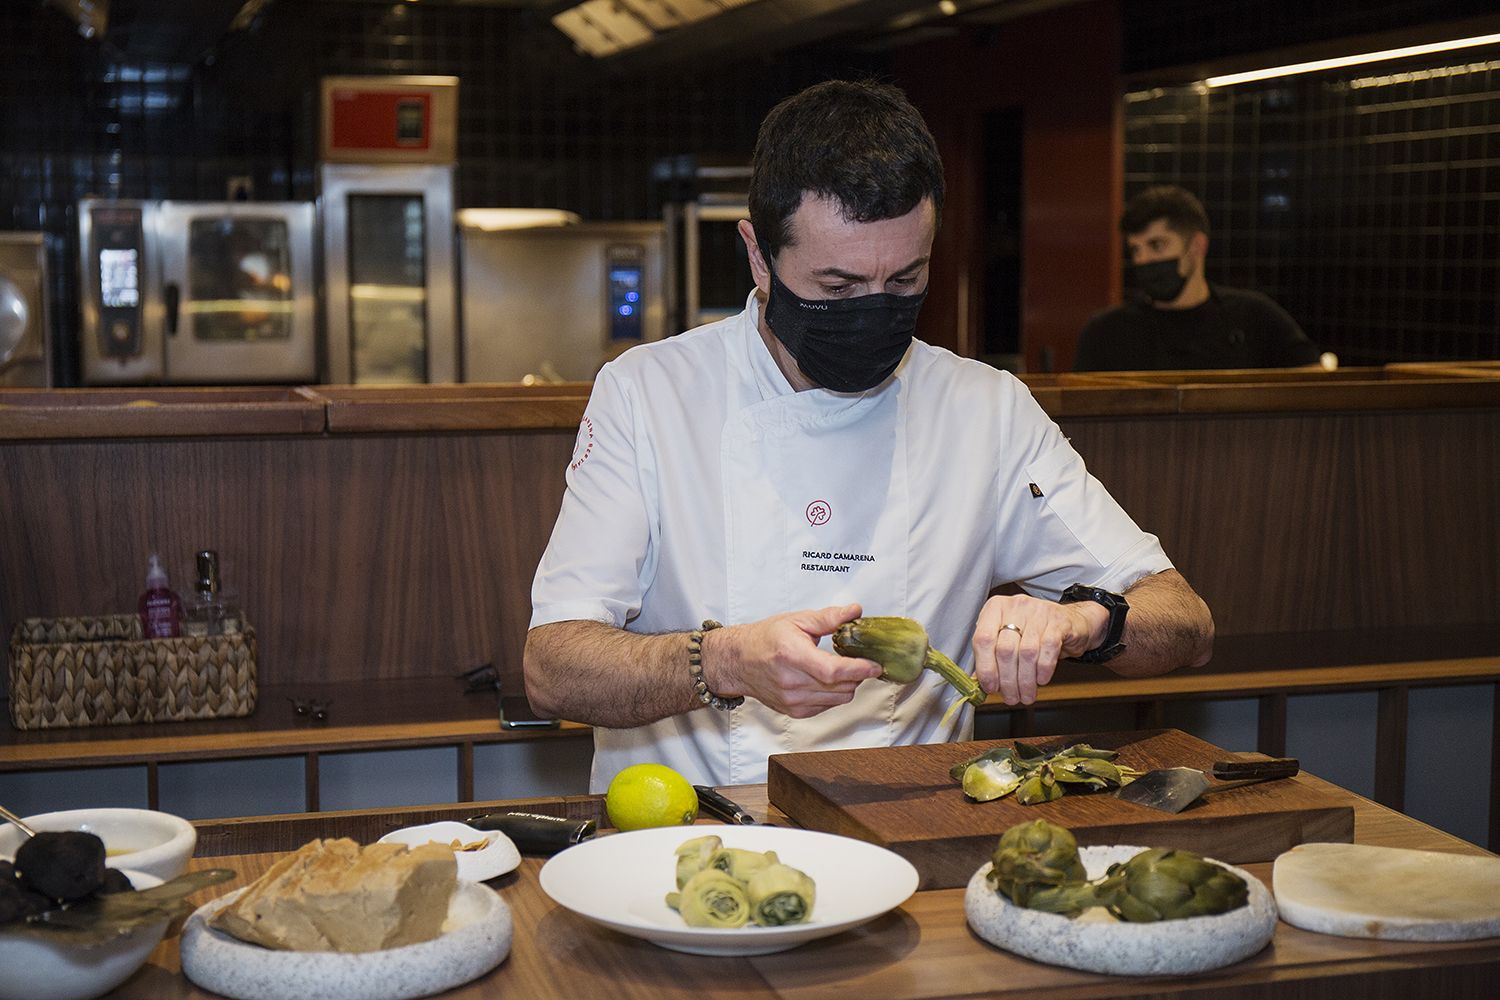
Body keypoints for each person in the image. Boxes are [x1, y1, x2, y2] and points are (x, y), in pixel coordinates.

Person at [525, 81, 1214, 791]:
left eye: (905, 280)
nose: (873, 312)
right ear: (759, 257)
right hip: (694, 834)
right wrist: (725, 661)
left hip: (909, 825)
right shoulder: (649, 394)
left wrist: (1083, 623)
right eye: (838, 286)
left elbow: (1185, 621)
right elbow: (553, 666)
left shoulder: (983, 409)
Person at [1074, 185, 1322, 371]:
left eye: (1157, 245)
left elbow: (1316, 385)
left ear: (1197, 246)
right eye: (1136, 250)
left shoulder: (1256, 317)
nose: (1143, 260)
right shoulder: (1107, 332)